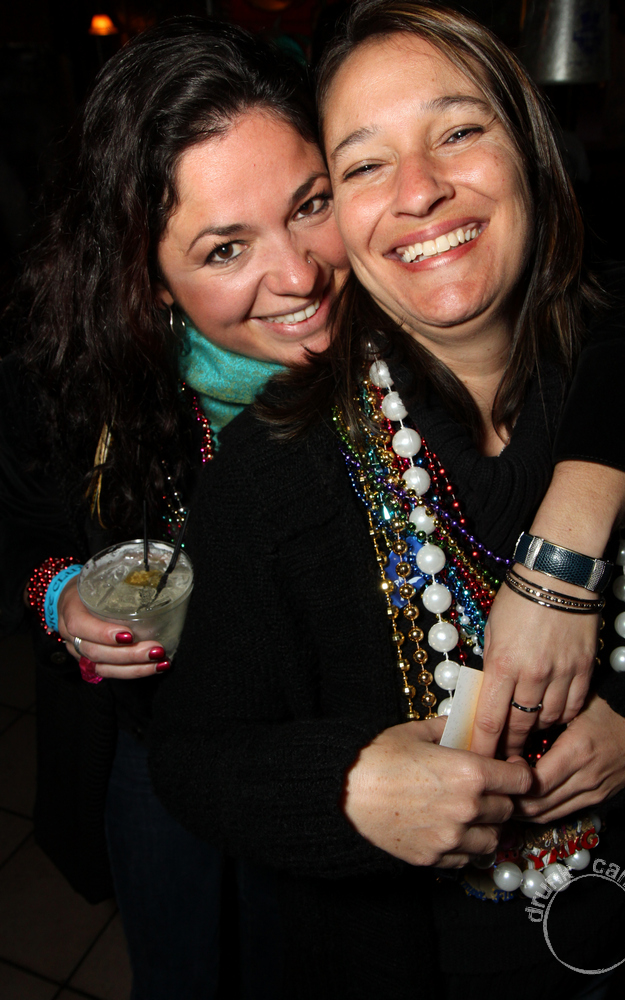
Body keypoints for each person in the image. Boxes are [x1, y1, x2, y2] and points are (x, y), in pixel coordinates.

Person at [149, 3, 625, 998]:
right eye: (364, 165)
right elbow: (190, 755)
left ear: (530, 147)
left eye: (458, 130)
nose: (420, 190)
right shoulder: (272, 475)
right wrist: (343, 786)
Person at [0, 17, 347, 999]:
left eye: (311, 204)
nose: (299, 275)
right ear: (147, 278)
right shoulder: (84, 379)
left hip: (332, 758)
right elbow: (20, 526)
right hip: (155, 756)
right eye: (226, 247)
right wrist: (58, 593)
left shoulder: (412, 344)